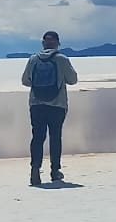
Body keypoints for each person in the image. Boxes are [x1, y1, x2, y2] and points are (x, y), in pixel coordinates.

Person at [21, 31, 78, 186]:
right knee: (55, 137)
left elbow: (25, 81)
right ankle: (54, 171)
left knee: (37, 137)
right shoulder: (62, 59)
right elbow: (73, 80)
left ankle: (34, 170)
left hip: (36, 104)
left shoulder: (33, 59)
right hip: (57, 104)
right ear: (58, 43)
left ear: (43, 43)